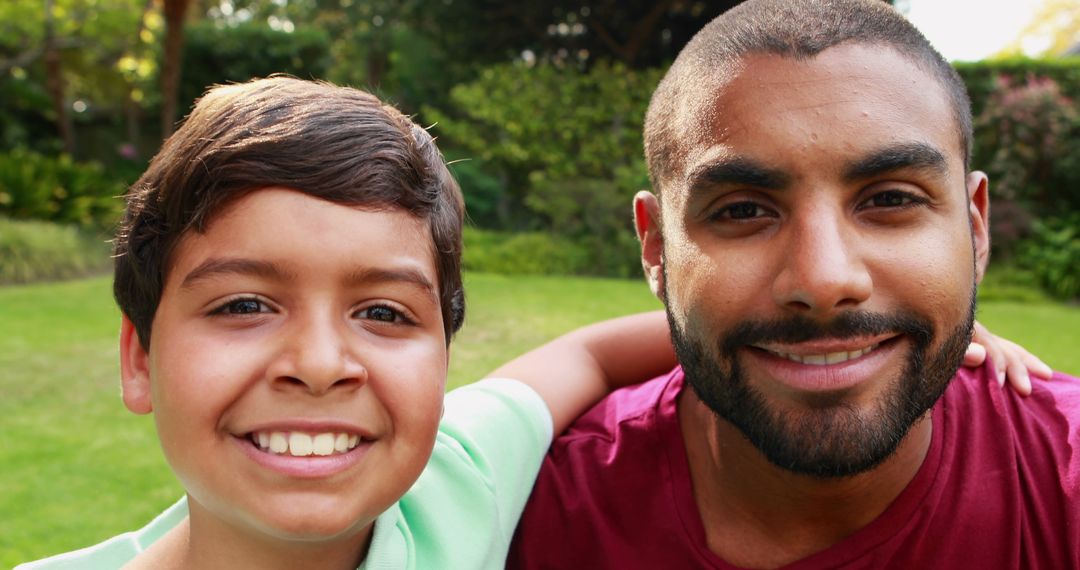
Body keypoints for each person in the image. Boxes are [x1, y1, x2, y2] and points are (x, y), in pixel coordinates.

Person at [17, 60, 1049, 570]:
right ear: (139, 357)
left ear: (444, 355)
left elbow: (595, 355)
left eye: (384, 312)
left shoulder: (463, 472)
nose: (321, 362)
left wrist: (894, 341)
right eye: (245, 304)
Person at [508, 0, 1080, 568]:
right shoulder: (527, 515)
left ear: (974, 228)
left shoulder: (1064, 476)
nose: (823, 280)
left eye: (890, 200)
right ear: (656, 246)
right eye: (741, 211)